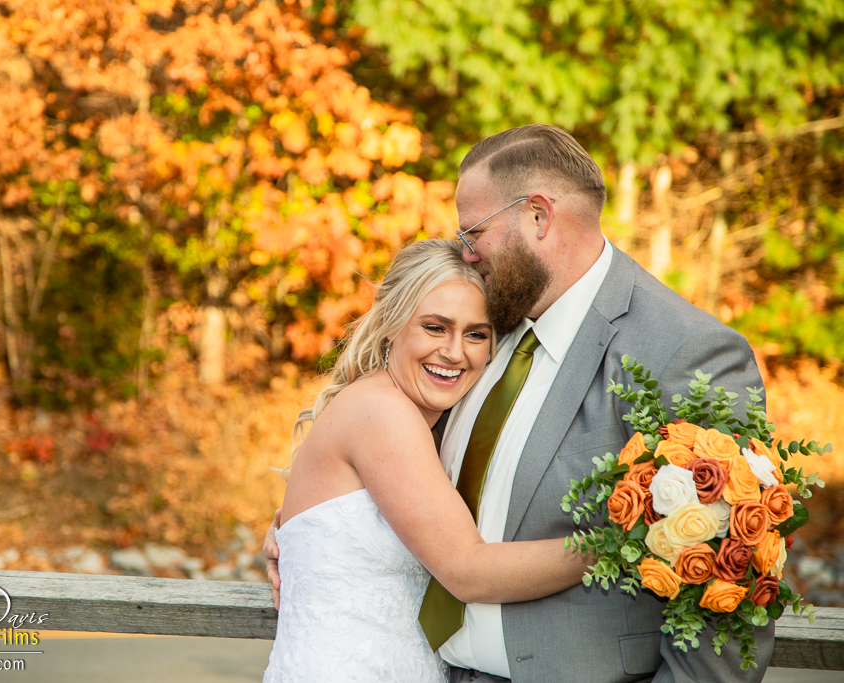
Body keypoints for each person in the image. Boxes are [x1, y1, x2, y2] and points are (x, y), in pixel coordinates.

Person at [266, 125, 774, 682]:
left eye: (473, 230)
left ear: (537, 216)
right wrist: (307, 527)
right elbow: (401, 478)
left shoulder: (683, 350)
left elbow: (732, 572)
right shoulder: (489, 323)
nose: (465, 249)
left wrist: (642, 533)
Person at [262, 239, 591, 683]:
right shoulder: (383, 412)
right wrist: (619, 548)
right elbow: (467, 571)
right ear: (392, 324)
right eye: (435, 327)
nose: (455, 352)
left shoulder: (426, 424)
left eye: (476, 334)